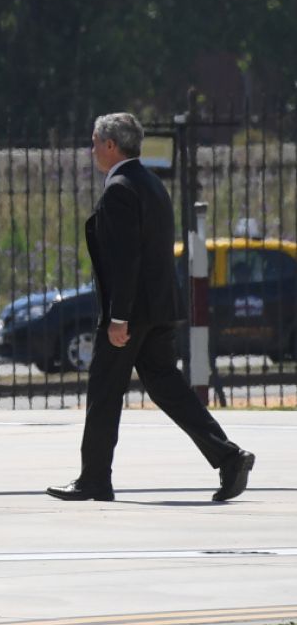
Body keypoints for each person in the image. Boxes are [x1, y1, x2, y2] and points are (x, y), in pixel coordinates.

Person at [48, 112, 254, 502]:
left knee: (104, 391)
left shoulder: (120, 189)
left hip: (132, 313)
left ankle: (93, 478)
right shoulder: (151, 184)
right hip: (158, 308)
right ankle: (228, 458)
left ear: (111, 145)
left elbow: (126, 260)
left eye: (94, 142)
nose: (92, 150)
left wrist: (118, 317)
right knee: (167, 387)